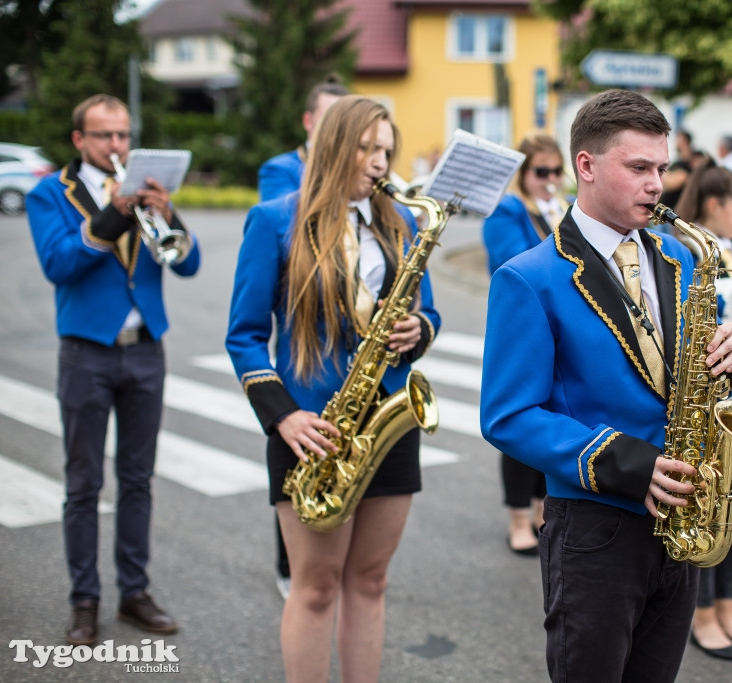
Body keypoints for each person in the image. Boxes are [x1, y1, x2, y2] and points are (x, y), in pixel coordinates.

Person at [480, 88, 732, 682]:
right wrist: (627, 463)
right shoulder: (529, 278)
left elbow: (693, 379)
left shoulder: (681, 261)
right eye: (638, 168)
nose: (657, 185)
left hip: (681, 520)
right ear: (586, 166)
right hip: (596, 527)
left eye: (662, 168)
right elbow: (508, 415)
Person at [226, 95, 441, 681]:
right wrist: (284, 417)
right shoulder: (274, 220)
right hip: (311, 427)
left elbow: (432, 313)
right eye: (367, 148)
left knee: (371, 582)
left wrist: (418, 328)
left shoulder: (404, 221)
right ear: (333, 145)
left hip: (388, 421)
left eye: (387, 150)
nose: (379, 162)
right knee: (316, 588)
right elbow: (243, 336)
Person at [25, 93, 200, 645]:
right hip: (86, 352)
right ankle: (84, 601)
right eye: (105, 136)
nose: (118, 145)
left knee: (137, 480)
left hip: (146, 348)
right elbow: (59, 264)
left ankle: (134, 593)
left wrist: (165, 215)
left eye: (124, 134)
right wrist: (114, 214)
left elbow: (189, 263)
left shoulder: (147, 191)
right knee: (83, 483)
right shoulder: (49, 193)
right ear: (80, 140)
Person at [255, 76, 348, 600]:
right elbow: (290, 238)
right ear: (312, 124)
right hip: (303, 350)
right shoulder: (281, 175)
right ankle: (289, 563)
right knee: (295, 470)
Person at [672, 162, 732, 661]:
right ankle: (701, 613)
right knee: (703, 508)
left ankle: (725, 606)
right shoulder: (686, 251)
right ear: (712, 205)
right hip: (707, 400)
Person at [481, 131, 571, 555]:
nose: (550, 179)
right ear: (523, 174)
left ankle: (540, 507)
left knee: (553, 415)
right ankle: (518, 515)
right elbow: (511, 264)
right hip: (523, 326)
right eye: (541, 171)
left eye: (556, 171)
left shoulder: (557, 208)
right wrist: (556, 229)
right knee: (521, 418)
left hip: (559, 327)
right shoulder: (508, 210)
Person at [258, 76, 348, 202]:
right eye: (329, 118)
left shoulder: (358, 167)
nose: (338, 126)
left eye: (344, 120)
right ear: (308, 121)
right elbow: (284, 215)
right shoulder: (278, 169)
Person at [659, 128, 695, 209]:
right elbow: (663, 180)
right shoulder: (677, 163)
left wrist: (670, 177)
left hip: (678, 211)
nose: (676, 142)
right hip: (667, 211)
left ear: (685, 140)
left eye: (678, 138)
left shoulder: (692, 161)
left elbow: (676, 181)